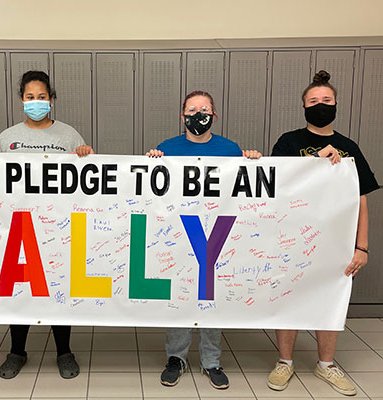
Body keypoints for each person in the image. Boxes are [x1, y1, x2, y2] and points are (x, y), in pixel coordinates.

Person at [267, 70, 379, 396]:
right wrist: (316, 162)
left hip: (335, 242)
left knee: (331, 299)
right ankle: (285, 360)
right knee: (289, 298)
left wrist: (363, 247)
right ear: (304, 107)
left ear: (336, 104)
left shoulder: (349, 147)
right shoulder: (289, 142)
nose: (320, 105)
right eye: (314, 101)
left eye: (326, 100)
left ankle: (326, 364)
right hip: (293, 237)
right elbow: (277, 185)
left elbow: (361, 199)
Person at [0, 70, 93, 380]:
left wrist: (85, 155)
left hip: (58, 227)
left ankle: (64, 352)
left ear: (51, 101)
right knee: (20, 289)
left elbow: (85, 181)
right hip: (19, 227)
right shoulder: (7, 138)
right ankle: (17, 351)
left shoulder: (69, 136)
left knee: (59, 285)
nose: (36, 102)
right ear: (22, 101)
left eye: (41, 97)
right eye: (30, 97)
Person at [146, 90, 261, 389]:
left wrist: (251, 162)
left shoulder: (230, 149)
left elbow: (242, 190)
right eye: (192, 108)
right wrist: (153, 162)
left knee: (211, 295)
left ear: (214, 116)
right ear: (182, 115)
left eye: (205, 108)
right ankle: (177, 357)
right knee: (180, 293)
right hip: (180, 232)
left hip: (217, 232)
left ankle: (212, 361)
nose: (199, 113)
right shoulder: (167, 148)